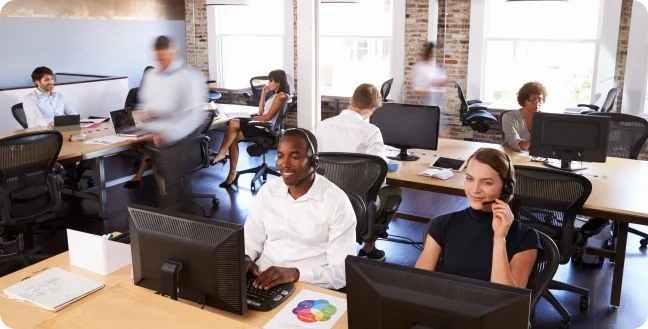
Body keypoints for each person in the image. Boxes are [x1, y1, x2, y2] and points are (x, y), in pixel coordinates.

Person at [244, 129, 356, 290]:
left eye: (295, 157)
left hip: (308, 285)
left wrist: (295, 273)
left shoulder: (337, 202)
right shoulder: (268, 191)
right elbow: (250, 239)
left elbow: (342, 273)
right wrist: (246, 258)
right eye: (281, 156)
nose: (285, 164)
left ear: (314, 161)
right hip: (262, 280)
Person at [415, 148, 541, 288]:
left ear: (506, 187)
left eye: (486, 182)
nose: (475, 189)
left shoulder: (525, 238)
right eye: (469, 179)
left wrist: (499, 239)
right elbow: (418, 286)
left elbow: (507, 300)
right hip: (446, 306)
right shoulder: (442, 224)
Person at [316, 83, 402, 262]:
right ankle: (368, 248)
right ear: (371, 109)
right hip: (357, 205)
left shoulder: (322, 126)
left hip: (324, 202)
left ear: (350, 100)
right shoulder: (371, 132)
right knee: (394, 190)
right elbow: (379, 173)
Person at [134, 35, 205, 204]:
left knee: (176, 198)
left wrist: (170, 133)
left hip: (182, 140)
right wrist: (145, 114)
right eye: (158, 59)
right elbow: (146, 104)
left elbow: (194, 115)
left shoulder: (189, 76)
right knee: (170, 196)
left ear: (174, 53)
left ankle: (181, 221)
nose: (162, 63)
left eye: (165, 58)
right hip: (159, 139)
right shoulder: (152, 76)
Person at [210, 69, 290, 188]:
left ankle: (222, 155)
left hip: (265, 129)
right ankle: (231, 172)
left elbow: (267, 116)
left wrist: (253, 119)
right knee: (233, 137)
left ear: (278, 83)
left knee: (233, 122)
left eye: (270, 81)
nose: (268, 83)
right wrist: (263, 93)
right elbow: (261, 111)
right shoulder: (275, 95)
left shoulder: (282, 96)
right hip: (260, 125)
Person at [23, 66, 93, 189]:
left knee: (91, 145)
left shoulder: (59, 96)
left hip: (63, 131)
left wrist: (72, 120)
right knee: (69, 149)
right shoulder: (30, 99)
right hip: (44, 135)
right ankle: (71, 179)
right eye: (46, 80)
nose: (50, 82)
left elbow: (73, 113)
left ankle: (74, 176)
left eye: (51, 79)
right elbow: (37, 119)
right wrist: (52, 123)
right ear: (37, 82)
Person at [502, 82, 548, 152]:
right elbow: (514, 143)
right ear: (524, 100)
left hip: (534, 158)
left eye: (540, 100)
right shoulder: (509, 117)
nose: (537, 104)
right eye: (533, 100)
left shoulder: (545, 119)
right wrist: (538, 141)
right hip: (511, 155)